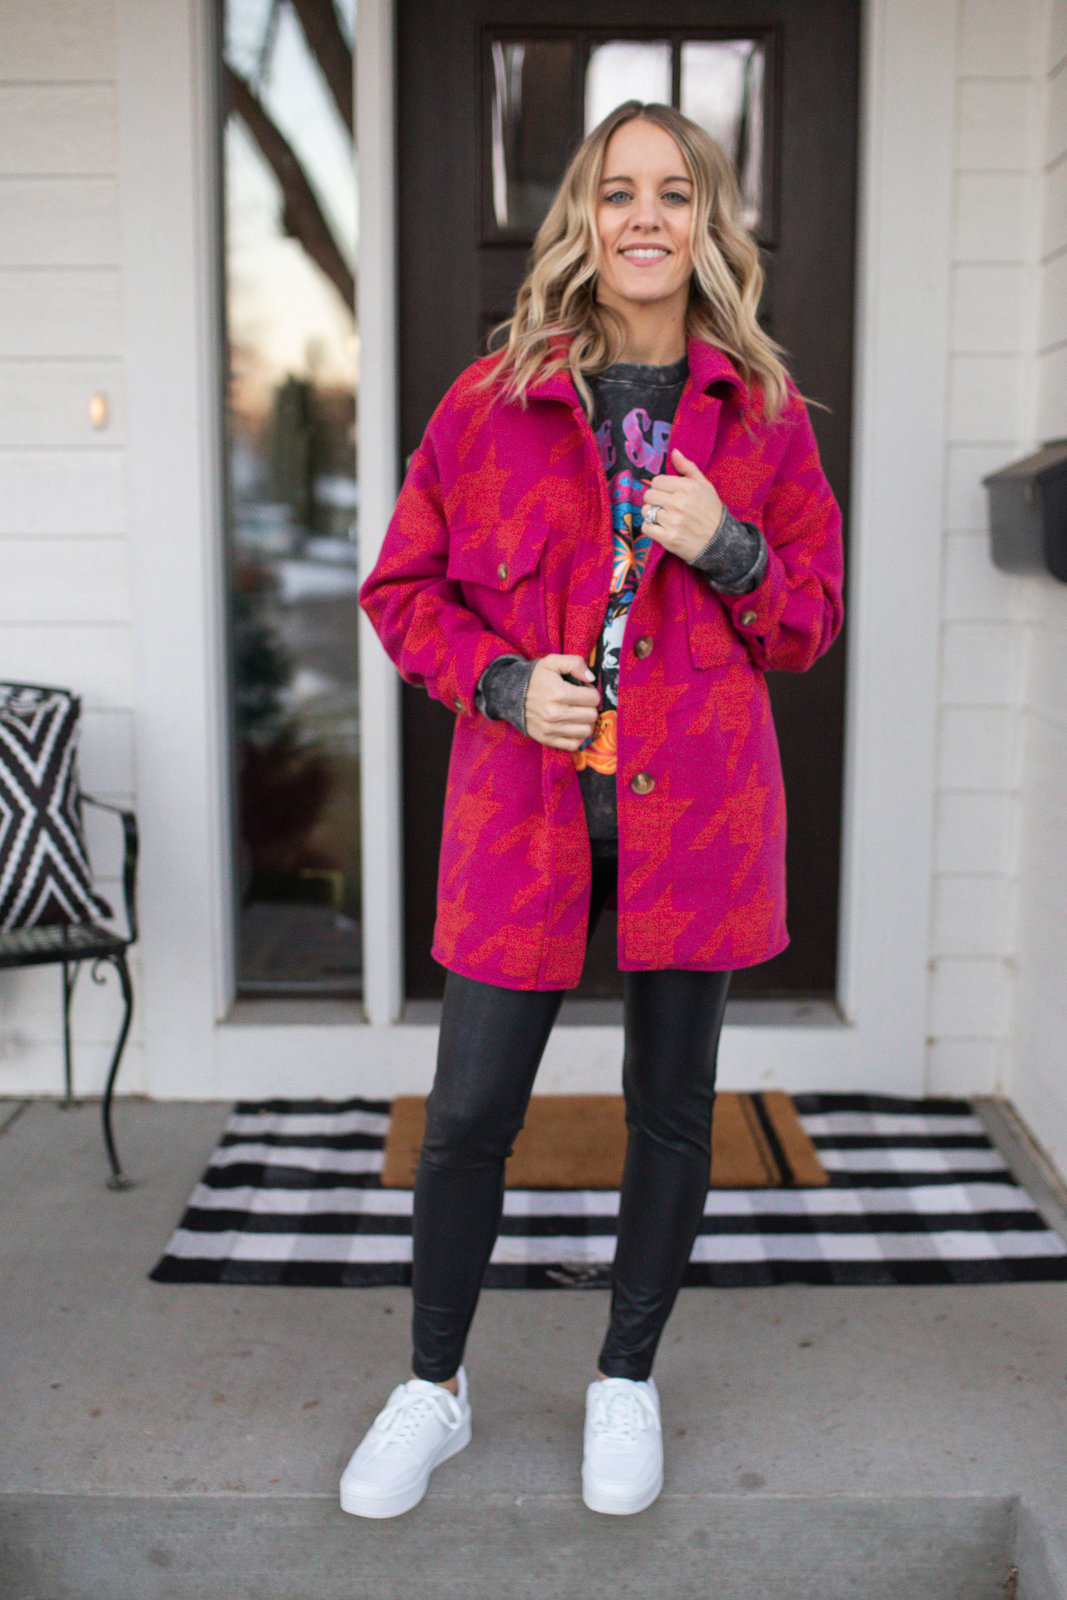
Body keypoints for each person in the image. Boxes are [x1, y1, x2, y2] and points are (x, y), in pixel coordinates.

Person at [346, 99, 843, 1520]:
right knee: (466, 1115)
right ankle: (431, 1390)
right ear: (580, 217)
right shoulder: (486, 401)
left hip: (698, 822)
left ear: (706, 224)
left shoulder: (758, 418)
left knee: (670, 1114)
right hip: (524, 819)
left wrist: (729, 544)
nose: (644, 217)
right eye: (617, 190)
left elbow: (808, 621)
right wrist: (501, 685)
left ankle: (624, 1378)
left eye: (674, 193)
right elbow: (403, 594)